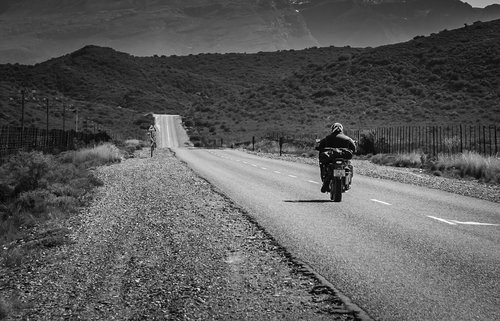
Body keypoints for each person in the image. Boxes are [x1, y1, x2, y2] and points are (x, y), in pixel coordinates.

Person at [315, 123, 356, 193]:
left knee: (324, 166)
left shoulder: (327, 138)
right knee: (349, 167)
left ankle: (326, 184)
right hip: (343, 158)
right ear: (341, 129)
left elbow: (320, 147)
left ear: (332, 129)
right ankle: (346, 183)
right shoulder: (347, 138)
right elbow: (354, 148)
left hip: (331, 158)